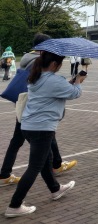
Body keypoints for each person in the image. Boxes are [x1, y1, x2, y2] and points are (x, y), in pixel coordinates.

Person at [5, 50, 84, 218]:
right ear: (54, 64)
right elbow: (74, 93)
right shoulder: (54, 80)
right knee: (34, 167)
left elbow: (54, 90)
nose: (61, 66)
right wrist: (78, 82)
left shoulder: (36, 76)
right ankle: (14, 205)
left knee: (45, 159)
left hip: (28, 126)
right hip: (42, 128)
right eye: (60, 63)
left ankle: (55, 189)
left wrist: (70, 82)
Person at [0, 34, 77, 189]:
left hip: (23, 104)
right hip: (34, 108)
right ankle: (55, 167)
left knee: (18, 141)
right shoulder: (39, 61)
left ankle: (5, 174)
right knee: (43, 143)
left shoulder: (26, 58)